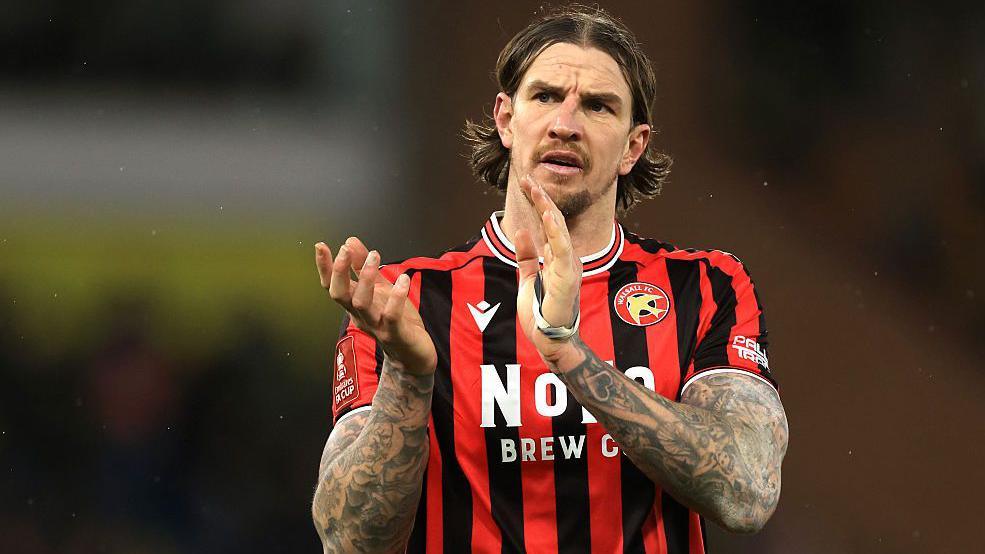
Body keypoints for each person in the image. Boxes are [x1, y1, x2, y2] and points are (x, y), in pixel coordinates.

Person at [311, 6, 788, 553]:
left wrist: (570, 356)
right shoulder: (404, 301)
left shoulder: (703, 286)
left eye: (598, 106)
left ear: (634, 147)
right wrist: (410, 374)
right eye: (545, 96)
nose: (566, 123)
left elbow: (748, 492)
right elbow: (350, 539)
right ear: (506, 119)